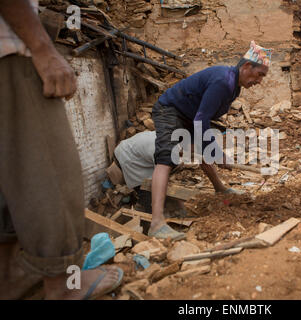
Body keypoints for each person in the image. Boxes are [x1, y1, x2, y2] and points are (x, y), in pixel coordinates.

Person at [0, 0, 122, 299]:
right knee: (51, 172)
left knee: (9, 177)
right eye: (260, 75)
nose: (260, 80)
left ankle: (11, 278)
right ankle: (64, 284)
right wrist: (42, 49)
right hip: (10, 51)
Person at [150, 41, 272, 240]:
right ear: (247, 67)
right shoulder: (223, 81)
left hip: (188, 114)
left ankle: (219, 188)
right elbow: (201, 119)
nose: (259, 81)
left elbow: (202, 118)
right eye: (260, 75)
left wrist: (212, 151)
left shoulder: (234, 87)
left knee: (204, 147)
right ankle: (156, 223)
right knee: (166, 158)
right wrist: (216, 153)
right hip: (169, 110)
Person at [113, 130, 187, 217]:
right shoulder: (163, 151)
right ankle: (145, 216)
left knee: (155, 184)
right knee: (145, 188)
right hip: (126, 155)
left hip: (135, 152)